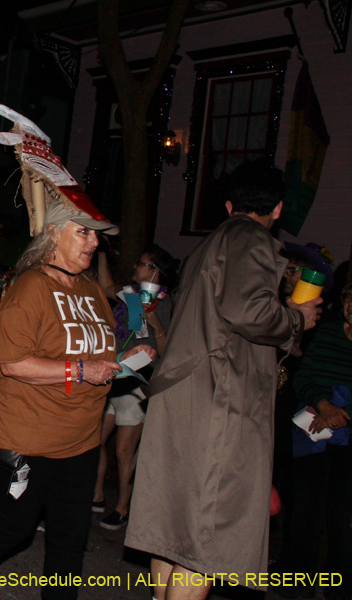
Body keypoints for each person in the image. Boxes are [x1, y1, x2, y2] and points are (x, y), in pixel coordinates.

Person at [125, 161, 322, 600]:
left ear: (230, 205)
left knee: (172, 527)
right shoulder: (252, 240)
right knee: (205, 541)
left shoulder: (209, 244)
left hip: (185, 395)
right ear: (278, 208)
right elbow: (247, 311)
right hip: (218, 402)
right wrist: (296, 318)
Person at [0, 200, 154, 600]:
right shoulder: (31, 286)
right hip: (26, 438)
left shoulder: (91, 290)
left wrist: (127, 357)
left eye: (96, 235)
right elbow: (12, 363)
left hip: (81, 440)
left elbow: (98, 351)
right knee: (14, 526)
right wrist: (81, 371)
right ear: (54, 234)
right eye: (83, 232)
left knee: (70, 537)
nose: (94, 242)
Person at [90, 243, 178, 529]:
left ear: (155, 271)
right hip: (114, 376)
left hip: (137, 385)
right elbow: (106, 287)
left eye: (141, 263)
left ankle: (123, 508)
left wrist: (157, 325)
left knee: (124, 451)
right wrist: (103, 251)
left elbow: (166, 354)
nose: (135, 266)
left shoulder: (166, 304)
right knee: (95, 440)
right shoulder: (131, 295)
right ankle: (97, 495)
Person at [274, 279, 352, 600]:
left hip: (347, 435)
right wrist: (323, 405)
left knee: (343, 517)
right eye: (349, 298)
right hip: (313, 429)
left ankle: (339, 587)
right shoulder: (327, 333)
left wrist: (341, 413)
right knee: (306, 510)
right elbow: (303, 375)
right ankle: (297, 583)